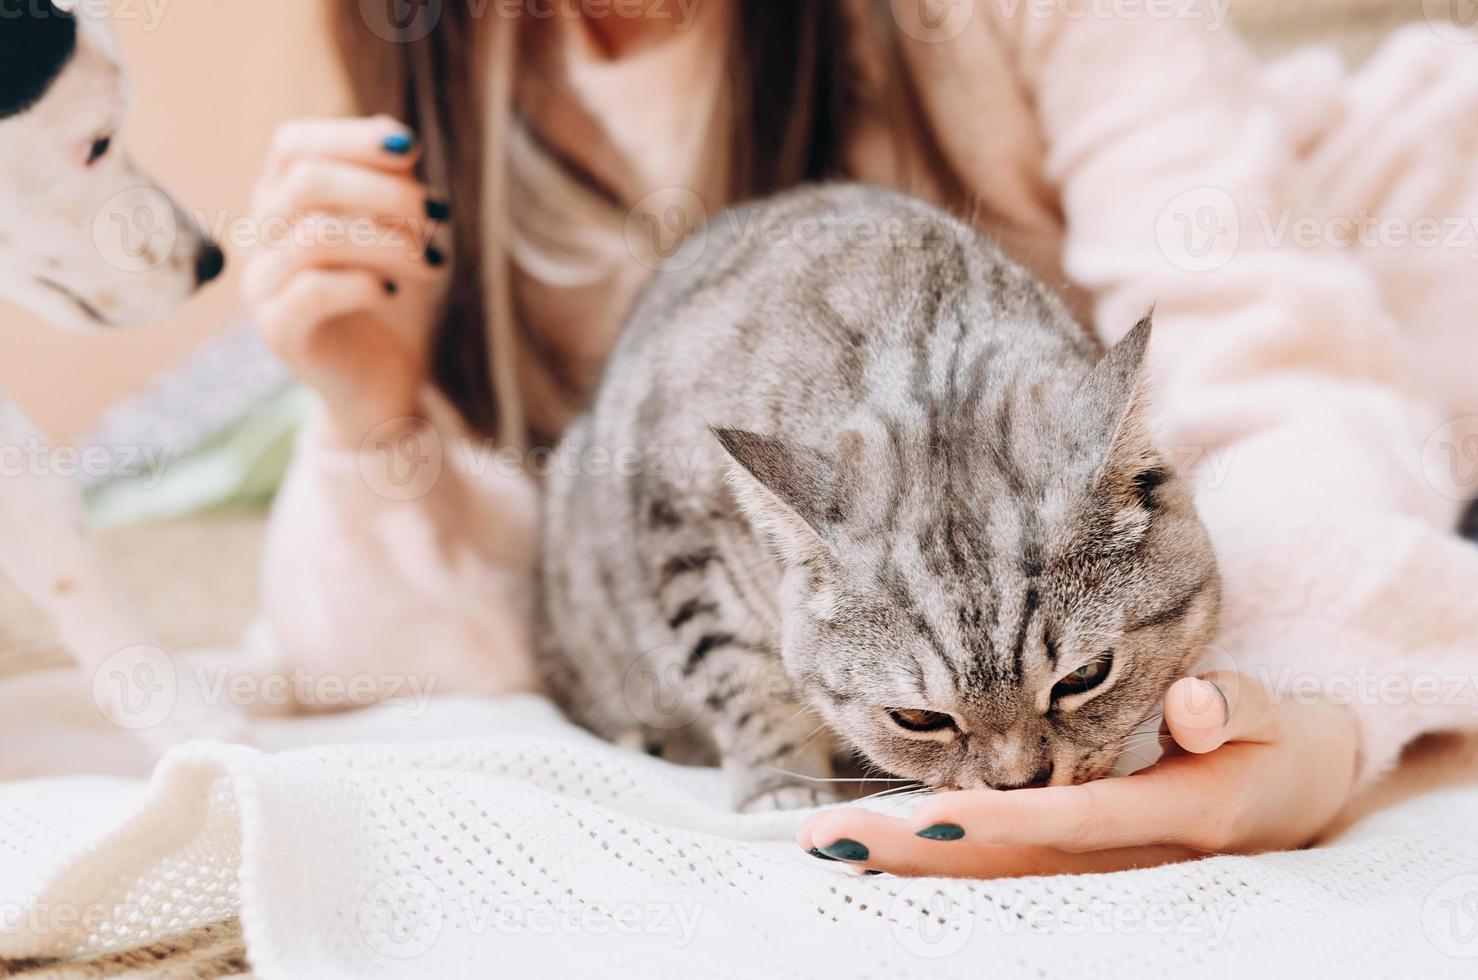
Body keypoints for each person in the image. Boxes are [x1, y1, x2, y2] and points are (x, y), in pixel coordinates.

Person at [241, 0, 1478, 876]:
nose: (1010, 781)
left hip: (1397, 252)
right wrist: (367, 411)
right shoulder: (448, 91)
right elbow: (402, 639)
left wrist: (1313, 707)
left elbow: (1261, 364)